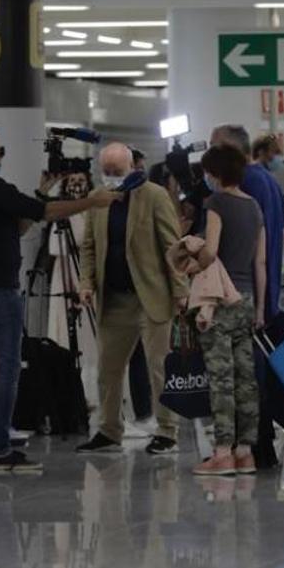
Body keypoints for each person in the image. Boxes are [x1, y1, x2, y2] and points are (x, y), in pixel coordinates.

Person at [0, 122, 117, 470]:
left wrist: (41, 197)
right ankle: (0, 449)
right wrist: (91, 201)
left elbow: (20, 223)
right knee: (7, 367)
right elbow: (42, 214)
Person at [76, 142, 188, 456]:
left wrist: (181, 291)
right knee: (108, 370)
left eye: (117, 172)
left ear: (133, 168)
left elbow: (173, 245)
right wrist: (87, 283)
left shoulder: (154, 196)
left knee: (159, 368)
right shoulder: (98, 200)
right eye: (106, 172)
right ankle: (109, 431)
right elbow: (88, 247)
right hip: (114, 299)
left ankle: (167, 431)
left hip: (151, 296)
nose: (111, 178)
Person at [184, 145, 266, 477]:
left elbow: (212, 250)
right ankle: (245, 452)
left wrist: (190, 260)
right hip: (245, 299)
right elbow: (260, 261)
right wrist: (259, 307)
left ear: (216, 174)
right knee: (246, 379)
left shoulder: (216, 203)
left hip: (218, 299)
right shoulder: (255, 207)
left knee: (221, 379)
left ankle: (221, 453)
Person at [208, 124, 284, 468]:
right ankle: (254, 449)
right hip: (258, 292)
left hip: (230, 294)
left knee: (230, 377)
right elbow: (267, 248)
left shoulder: (237, 192)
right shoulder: (266, 181)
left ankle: (234, 449)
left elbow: (215, 251)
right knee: (251, 375)